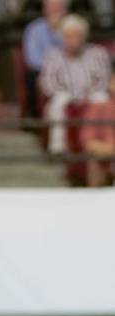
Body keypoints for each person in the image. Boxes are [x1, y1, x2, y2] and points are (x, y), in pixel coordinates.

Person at [40, 14, 110, 154]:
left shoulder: (97, 53)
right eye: (69, 36)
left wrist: (86, 95)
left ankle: (103, 144)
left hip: (92, 93)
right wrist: (69, 95)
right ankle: (57, 149)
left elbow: (104, 78)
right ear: (62, 37)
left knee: (102, 99)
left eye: (77, 36)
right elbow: (48, 82)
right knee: (58, 104)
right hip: (63, 94)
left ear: (84, 36)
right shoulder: (53, 56)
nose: (73, 40)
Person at [23, 0, 67, 116]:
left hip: (69, 70)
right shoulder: (34, 29)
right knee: (32, 76)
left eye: (59, 8)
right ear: (45, 9)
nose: (55, 11)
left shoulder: (72, 27)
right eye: (52, 8)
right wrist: (54, 67)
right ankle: (35, 116)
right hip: (43, 71)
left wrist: (58, 32)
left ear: (65, 10)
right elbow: (32, 59)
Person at [79, 67, 115, 187]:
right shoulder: (98, 107)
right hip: (104, 158)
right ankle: (93, 202)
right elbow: (88, 142)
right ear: (111, 83)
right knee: (94, 162)